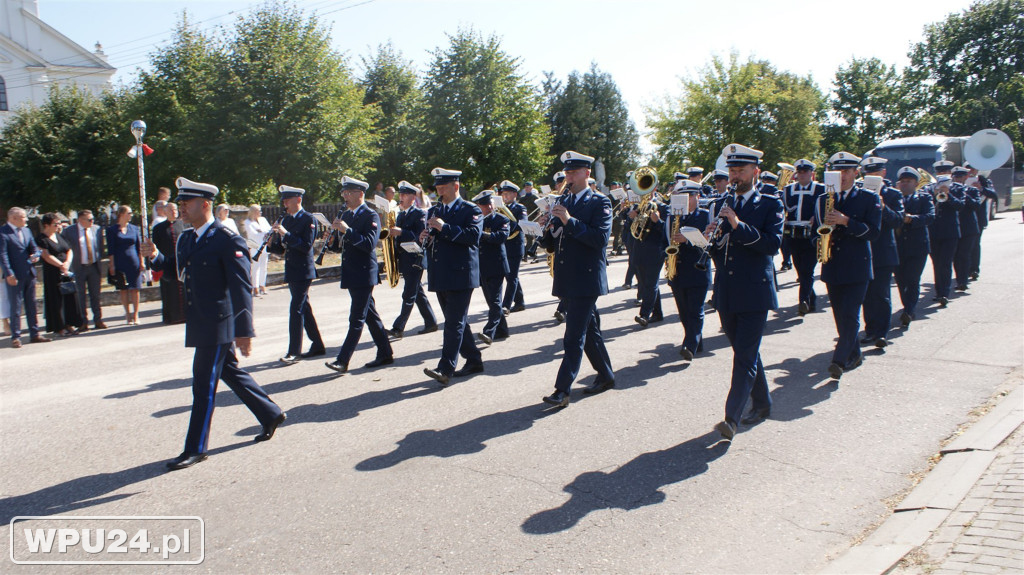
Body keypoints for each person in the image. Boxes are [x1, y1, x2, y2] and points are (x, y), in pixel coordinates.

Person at [142, 177, 286, 471]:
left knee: (202, 384)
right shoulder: (187, 238)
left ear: (204, 204)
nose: (181, 208)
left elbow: (240, 287)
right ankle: (269, 412)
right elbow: (176, 270)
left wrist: (244, 331)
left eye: (186, 203)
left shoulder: (225, 238)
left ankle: (195, 448)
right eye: (179, 203)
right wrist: (156, 257)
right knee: (229, 372)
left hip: (219, 322)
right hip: (199, 320)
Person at [705, 144, 783, 441]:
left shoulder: (770, 204)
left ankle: (731, 417)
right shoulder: (722, 202)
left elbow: (771, 245)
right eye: (732, 171)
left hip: (754, 291)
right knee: (745, 352)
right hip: (727, 290)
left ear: (755, 172)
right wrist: (706, 240)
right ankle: (762, 403)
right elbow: (721, 251)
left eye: (740, 170)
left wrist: (737, 225)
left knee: (744, 358)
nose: (735, 176)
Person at [538, 151, 615, 408]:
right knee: (589, 330)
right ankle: (605, 375)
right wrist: (545, 228)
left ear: (587, 173)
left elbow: (600, 240)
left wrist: (568, 220)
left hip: (586, 277)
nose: (568, 177)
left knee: (573, 336)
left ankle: (562, 390)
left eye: (574, 172)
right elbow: (553, 244)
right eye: (567, 173)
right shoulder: (564, 199)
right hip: (567, 275)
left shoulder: (599, 202)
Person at [814, 152, 882, 380]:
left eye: (846, 171)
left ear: (856, 173)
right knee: (839, 315)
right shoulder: (825, 198)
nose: (841, 176)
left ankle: (839, 360)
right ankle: (854, 353)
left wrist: (845, 221)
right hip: (833, 264)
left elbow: (873, 232)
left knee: (850, 315)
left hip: (857, 265)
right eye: (837, 171)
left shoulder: (868, 198)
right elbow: (818, 230)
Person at [419, 167, 485, 386]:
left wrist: (445, 228)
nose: (439, 191)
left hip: (461, 274)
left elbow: (473, 237)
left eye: (443, 187)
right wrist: (425, 238)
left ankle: (445, 367)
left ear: (455, 186)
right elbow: (435, 242)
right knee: (457, 321)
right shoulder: (434, 211)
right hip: (441, 273)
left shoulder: (470, 209)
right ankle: (474, 359)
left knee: (453, 323)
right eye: (437, 187)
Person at [324, 177, 394, 373]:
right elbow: (344, 245)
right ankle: (385, 352)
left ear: (360, 194)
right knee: (370, 315)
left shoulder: (370, 215)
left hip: (364, 273)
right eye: (344, 193)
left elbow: (369, 244)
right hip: (352, 272)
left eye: (349, 193)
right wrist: (332, 240)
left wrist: (347, 230)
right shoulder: (347, 215)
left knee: (356, 319)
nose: (345, 196)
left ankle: (342, 360)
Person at [274, 185, 326, 364]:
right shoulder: (287, 220)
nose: (285, 204)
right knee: (304, 308)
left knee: (295, 309)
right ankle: (318, 344)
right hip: (292, 269)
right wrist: (271, 243)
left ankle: (294, 351)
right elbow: (282, 248)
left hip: (304, 270)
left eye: (287, 200)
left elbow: (306, 246)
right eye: (284, 201)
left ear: (298, 200)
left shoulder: (308, 219)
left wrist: (285, 234)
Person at [860, 157, 904, 347]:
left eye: (875, 174)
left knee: (881, 294)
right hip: (863, 250)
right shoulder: (860, 195)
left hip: (884, 251)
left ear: (883, 174)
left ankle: (881, 333)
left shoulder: (893, 194)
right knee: (867, 295)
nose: (872, 177)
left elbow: (898, 221)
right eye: (868, 174)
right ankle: (870, 330)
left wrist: (883, 206)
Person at [665, 180, 711, 360]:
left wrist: (688, 240)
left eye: (689, 196)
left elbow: (707, 244)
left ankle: (690, 344)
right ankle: (695, 340)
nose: (685, 200)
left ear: (697, 197)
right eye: (681, 196)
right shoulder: (672, 217)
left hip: (697, 270)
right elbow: (664, 242)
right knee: (683, 311)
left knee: (695, 309)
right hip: (677, 271)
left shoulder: (705, 216)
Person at [387, 181, 437, 339]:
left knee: (408, 293)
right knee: (417, 292)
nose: (400, 197)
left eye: (404, 194)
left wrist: (401, 232)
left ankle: (398, 327)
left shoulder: (420, 214)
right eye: (400, 194)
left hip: (416, 257)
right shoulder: (400, 214)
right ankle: (431, 322)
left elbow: (420, 236)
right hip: (404, 257)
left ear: (413, 197)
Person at [1, 207, 51, 347]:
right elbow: (3, 256)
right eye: (23, 217)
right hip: (14, 275)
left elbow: (33, 247)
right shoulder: (3, 233)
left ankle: (34, 333)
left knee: (32, 304)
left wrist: (35, 255)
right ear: (13, 218)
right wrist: (9, 273)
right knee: (15, 307)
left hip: (29, 272)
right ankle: (15, 336)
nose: (26, 220)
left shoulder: (26, 230)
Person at [893, 167, 934, 327]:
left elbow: (930, 217)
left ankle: (909, 311)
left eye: (908, 182)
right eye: (902, 182)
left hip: (917, 246)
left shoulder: (923, 198)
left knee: (913, 279)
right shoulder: (894, 198)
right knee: (901, 280)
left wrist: (912, 219)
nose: (904, 184)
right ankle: (907, 306)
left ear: (916, 183)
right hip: (898, 246)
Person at [782, 159, 824, 316]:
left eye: (805, 172)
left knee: (807, 269)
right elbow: (783, 209)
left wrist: (817, 217)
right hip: (793, 234)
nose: (802, 175)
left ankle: (803, 301)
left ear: (811, 174)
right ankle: (811, 300)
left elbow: (828, 208)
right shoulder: (788, 190)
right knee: (800, 269)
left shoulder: (821, 189)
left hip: (811, 234)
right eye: (799, 172)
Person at [627, 182, 667, 327]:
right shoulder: (638, 206)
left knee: (650, 284)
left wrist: (658, 221)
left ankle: (644, 314)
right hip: (639, 249)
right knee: (645, 284)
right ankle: (658, 313)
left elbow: (667, 231)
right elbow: (631, 230)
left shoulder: (662, 206)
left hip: (655, 251)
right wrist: (631, 217)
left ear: (655, 189)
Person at [36, 213, 83, 336]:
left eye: (58, 224)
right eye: (55, 224)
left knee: (70, 298)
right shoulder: (41, 239)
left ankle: (70, 324)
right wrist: (60, 265)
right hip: (53, 273)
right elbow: (46, 255)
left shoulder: (59, 236)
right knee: (57, 300)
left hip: (66, 271)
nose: (58, 226)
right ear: (46, 225)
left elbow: (69, 250)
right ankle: (59, 327)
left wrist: (67, 263)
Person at [474, 190, 511, 343]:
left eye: (489, 204)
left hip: (496, 265)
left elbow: (501, 237)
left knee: (495, 300)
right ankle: (503, 330)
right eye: (484, 205)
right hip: (482, 266)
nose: (488, 207)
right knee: (490, 300)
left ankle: (489, 331)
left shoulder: (502, 219)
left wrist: (481, 234)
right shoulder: (477, 220)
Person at [925, 160, 963, 308]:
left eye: (945, 172)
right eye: (940, 172)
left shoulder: (957, 188)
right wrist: (935, 195)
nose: (942, 175)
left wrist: (949, 195)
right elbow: (928, 208)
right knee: (936, 263)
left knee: (945, 263)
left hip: (950, 232)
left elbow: (960, 206)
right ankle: (938, 290)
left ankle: (944, 293)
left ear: (950, 174)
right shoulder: (929, 188)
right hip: (933, 232)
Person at [62, 209, 106, 330]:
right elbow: (65, 249)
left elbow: (100, 247)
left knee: (95, 295)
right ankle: (83, 322)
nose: (92, 221)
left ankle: (98, 320)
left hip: (94, 266)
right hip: (79, 267)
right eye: (89, 219)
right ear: (80, 220)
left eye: (93, 219)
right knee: (80, 295)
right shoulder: (69, 231)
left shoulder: (96, 229)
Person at [106, 205, 143, 325]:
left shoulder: (134, 228)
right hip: (120, 262)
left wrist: (141, 261)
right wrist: (111, 265)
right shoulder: (112, 230)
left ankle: (136, 314)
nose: (131, 215)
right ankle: (127, 313)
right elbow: (110, 249)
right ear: (122, 214)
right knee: (123, 288)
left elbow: (139, 247)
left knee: (135, 288)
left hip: (134, 262)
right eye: (129, 213)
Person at [151, 202, 186, 324]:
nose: (174, 212)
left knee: (183, 289)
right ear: (165, 212)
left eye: (175, 209)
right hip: (166, 263)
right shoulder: (158, 228)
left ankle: (184, 315)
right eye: (171, 210)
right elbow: (155, 248)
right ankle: (171, 317)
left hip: (181, 262)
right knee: (169, 291)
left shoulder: (183, 225)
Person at [498, 180, 527, 314]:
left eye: (508, 193)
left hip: (515, 244)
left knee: (512, 276)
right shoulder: (499, 208)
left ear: (515, 194)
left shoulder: (520, 208)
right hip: (504, 245)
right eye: (503, 193)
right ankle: (520, 301)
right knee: (509, 276)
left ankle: (506, 305)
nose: (505, 196)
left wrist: (506, 227)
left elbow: (521, 224)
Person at [951, 166, 981, 292]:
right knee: (956, 256)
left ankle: (962, 281)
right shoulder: (950, 191)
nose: (957, 179)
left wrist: (964, 194)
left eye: (960, 176)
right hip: (954, 228)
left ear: (966, 177)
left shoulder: (972, 190)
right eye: (955, 176)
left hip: (968, 228)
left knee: (964, 254)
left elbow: (976, 205)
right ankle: (960, 279)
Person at [244, 204, 272, 296]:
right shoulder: (248, 222)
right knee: (256, 267)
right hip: (255, 246)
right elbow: (253, 234)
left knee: (264, 267)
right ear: (253, 212)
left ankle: (262, 286)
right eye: (258, 211)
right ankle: (255, 287)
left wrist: (262, 231)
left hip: (264, 245)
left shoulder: (263, 220)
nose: (260, 212)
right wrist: (263, 232)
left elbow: (269, 230)